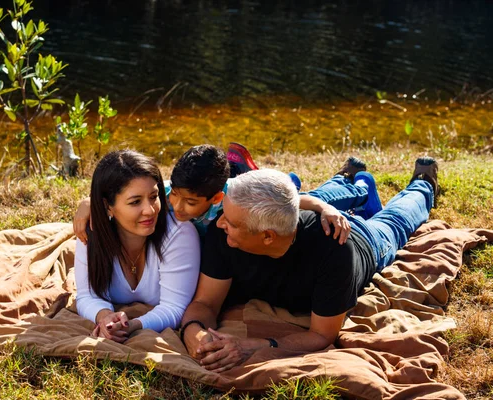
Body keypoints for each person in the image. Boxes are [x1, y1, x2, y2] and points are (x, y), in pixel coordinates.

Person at [180, 157, 439, 373]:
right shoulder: (224, 232)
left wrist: (254, 345)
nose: (221, 223)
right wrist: (195, 335)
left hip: (365, 239)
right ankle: (348, 177)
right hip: (304, 214)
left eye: (231, 222)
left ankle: (423, 184)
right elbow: (205, 303)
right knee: (317, 197)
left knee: (398, 218)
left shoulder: (334, 252)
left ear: (267, 236)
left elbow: (321, 335)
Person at [74, 144, 365, 244]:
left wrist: (325, 209)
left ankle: (355, 185)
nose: (176, 207)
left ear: (214, 200)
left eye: (189, 203)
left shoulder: (230, 204)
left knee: (305, 195)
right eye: (174, 195)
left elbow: (296, 202)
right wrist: (88, 203)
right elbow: (125, 194)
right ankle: (345, 178)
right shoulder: (164, 197)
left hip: (263, 193)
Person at [74, 150, 200, 342]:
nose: (149, 210)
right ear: (108, 206)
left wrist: (131, 326)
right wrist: (104, 317)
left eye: (153, 197)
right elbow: (86, 295)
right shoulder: (91, 233)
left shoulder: (179, 233)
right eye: (135, 202)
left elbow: (175, 308)